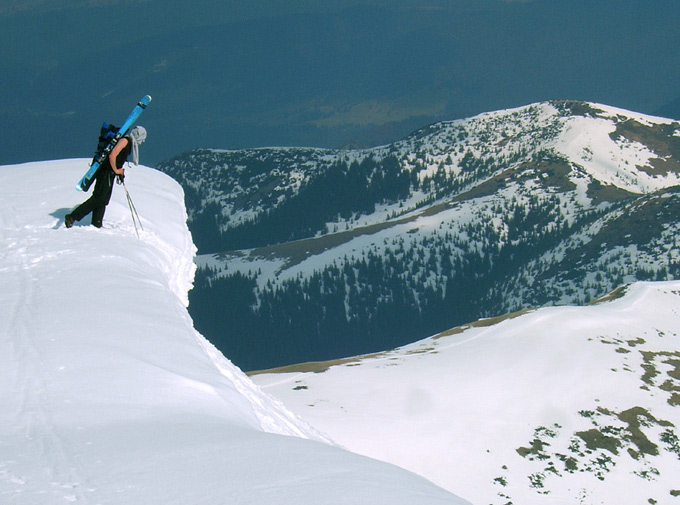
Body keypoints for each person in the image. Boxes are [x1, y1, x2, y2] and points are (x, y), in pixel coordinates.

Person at [66, 126, 147, 228]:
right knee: (98, 198)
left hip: (108, 173)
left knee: (103, 199)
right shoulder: (125, 141)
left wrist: (118, 172)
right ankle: (72, 217)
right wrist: (116, 170)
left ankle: (96, 224)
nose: (142, 141)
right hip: (106, 172)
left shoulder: (128, 141)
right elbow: (112, 155)